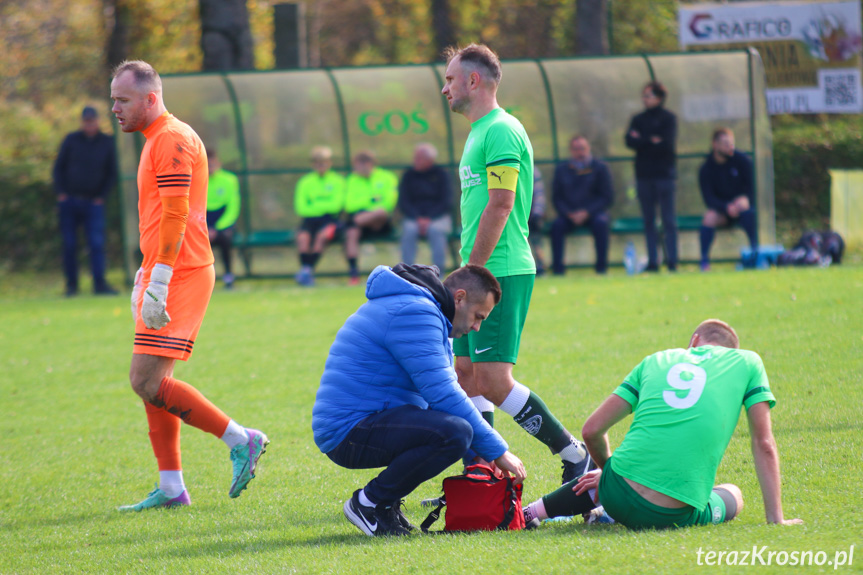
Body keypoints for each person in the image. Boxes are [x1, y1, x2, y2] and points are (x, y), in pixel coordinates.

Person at [110, 60, 268, 511]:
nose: (114, 109)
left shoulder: (173, 138)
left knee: (146, 379)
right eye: (113, 99)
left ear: (150, 98)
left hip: (182, 271)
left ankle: (242, 439)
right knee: (154, 381)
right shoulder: (155, 138)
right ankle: (172, 486)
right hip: (165, 269)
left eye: (122, 100)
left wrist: (159, 276)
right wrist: (149, 270)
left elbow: (178, 214)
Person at [442, 43, 591, 484]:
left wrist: (474, 272)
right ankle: (481, 474)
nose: (444, 87)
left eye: (450, 78)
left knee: (492, 379)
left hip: (498, 270)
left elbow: (502, 204)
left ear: (474, 80)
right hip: (484, 268)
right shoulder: (478, 132)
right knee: (466, 375)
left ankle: (575, 454)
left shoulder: (502, 130)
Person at [523, 319, 803, 530]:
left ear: (693, 342)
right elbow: (763, 443)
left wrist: (609, 471)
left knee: (605, 476)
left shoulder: (656, 359)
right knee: (733, 494)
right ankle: (605, 508)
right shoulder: (748, 362)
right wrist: (776, 519)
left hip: (617, 493)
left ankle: (529, 513)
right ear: (731, 351)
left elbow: (591, 430)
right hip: (669, 514)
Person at [312, 263, 527, 537]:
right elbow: (443, 394)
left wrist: (481, 455)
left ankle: (385, 504)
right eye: (478, 316)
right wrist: (497, 450)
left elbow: (439, 400)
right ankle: (368, 503)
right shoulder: (416, 312)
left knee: (453, 430)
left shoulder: (425, 310)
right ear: (459, 298)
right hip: (348, 432)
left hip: (363, 422)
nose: (476, 326)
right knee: (454, 433)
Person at [53, 106, 118, 296]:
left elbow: (111, 172)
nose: (89, 124)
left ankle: (100, 284)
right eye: (86, 121)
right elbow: (59, 168)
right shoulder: (71, 140)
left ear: (97, 121)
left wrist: (101, 196)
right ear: (82, 122)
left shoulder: (106, 142)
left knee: (96, 244)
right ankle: (71, 286)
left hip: (93, 203)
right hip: (70, 201)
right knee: (70, 244)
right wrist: (61, 193)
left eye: (92, 121)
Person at [625, 81, 678, 272]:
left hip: (665, 176)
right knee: (649, 221)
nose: (645, 99)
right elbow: (629, 141)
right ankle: (653, 262)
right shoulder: (638, 119)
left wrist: (642, 140)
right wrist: (650, 140)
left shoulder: (668, 118)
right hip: (644, 176)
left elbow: (666, 144)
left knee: (668, 220)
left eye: (649, 96)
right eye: (644, 96)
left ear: (659, 98)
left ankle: (672, 261)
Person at [550, 136, 614, 275]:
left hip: (594, 214)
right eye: (576, 149)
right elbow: (556, 198)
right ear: (571, 151)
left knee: (601, 223)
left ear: (589, 148)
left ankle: (601, 269)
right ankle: (558, 271)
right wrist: (569, 213)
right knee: (556, 226)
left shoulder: (600, 168)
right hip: (569, 216)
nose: (580, 153)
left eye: (583, 148)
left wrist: (587, 212)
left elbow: (607, 197)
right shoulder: (561, 170)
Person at [698, 128, 757, 271]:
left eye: (731, 143)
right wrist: (726, 207)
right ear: (715, 145)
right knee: (709, 217)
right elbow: (709, 198)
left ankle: (755, 255)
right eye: (725, 144)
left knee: (749, 213)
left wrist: (744, 199)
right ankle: (704, 262)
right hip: (723, 211)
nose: (729, 147)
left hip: (742, 209)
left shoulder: (742, 161)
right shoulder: (706, 168)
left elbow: (752, 189)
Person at [343, 151, 398, 285]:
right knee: (351, 233)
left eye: (359, 166)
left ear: (368, 164)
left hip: (380, 222)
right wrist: (372, 201)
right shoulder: (351, 180)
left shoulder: (387, 177)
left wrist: (367, 207)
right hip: (360, 221)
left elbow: (388, 203)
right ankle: (354, 273)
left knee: (380, 213)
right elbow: (349, 205)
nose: (356, 169)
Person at [398, 143, 453, 275]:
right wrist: (418, 217)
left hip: (438, 217)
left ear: (430, 160)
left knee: (437, 230)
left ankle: (438, 274)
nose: (415, 160)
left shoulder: (442, 175)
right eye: (415, 157)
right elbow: (403, 201)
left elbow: (446, 201)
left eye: (419, 157)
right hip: (413, 218)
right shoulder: (408, 175)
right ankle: (407, 274)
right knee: (409, 231)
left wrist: (429, 218)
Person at [294, 146, 345, 286]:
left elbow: (336, 206)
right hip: (310, 219)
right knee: (303, 238)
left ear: (329, 163)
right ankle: (307, 271)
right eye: (317, 162)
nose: (320, 165)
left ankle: (306, 271)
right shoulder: (305, 182)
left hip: (330, 220)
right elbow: (301, 208)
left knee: (322, 237)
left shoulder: (338, 181)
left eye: (323, 162)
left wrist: (314, 204)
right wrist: (324, 205)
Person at [205, 148, 241, 289]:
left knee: (225, 239)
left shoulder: (229, 180)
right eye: (207, 165)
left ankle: (228, 276)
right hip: (204, 221)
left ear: (218, 163)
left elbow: (233, 208)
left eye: (212, 164)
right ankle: (202, 280)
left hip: (223, 222)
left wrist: (217, 228)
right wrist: (205, 227)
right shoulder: (197, 179)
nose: (210, 168)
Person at [528, 167, 547, 276]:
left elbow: (539, 195)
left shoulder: (532, 170)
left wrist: (537, 213)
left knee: (536, 241)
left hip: (531, 215)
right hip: (512, 216)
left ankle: (540, 267)